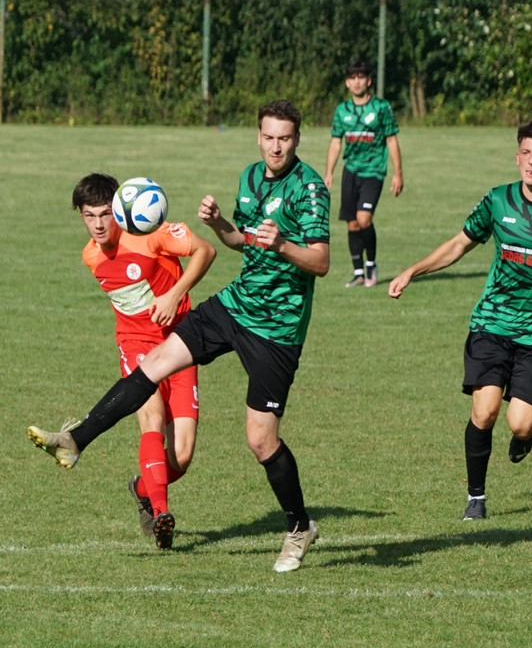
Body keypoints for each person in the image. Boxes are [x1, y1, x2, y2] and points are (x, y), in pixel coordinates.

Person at [29, 99, 331, 572]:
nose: (276, 147)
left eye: (285, 138)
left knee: (260, 439)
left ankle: (299, 527)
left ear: (297, 139)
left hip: (278, 327)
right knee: (153, 365)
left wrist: (284, 244)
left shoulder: (310, 188)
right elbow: (243, 241)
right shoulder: (251, 177)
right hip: (235, 305)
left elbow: (321, 261)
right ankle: (75, 440)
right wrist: (220, 225)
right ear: (258, 136)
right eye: (269, 137)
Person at [389, 120, 532, 520]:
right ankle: (476, 498)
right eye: (526, 153)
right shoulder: (498, 201)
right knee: (484, 412)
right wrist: (413, 271)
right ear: (517, 157)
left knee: (521, 424)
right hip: (492, 324)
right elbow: (458, 245)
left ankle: (527, 433)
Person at [71, 173, 216, 550]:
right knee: (151, 418)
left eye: (105, 214)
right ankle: (160, 514)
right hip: (136, 346)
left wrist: (175, 295)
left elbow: (205, 251)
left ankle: (142, 489)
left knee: (181, 456)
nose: (98, 224)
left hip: (181, 345)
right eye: (89, 216)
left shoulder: (152, 232)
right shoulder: (91, 257)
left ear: (119, 210)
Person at [324, 60, 403, 288]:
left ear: (368, 81)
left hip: (373, 171)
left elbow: (391, 139)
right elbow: (336, 143)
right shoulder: (342, 110)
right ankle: (358, 272)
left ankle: (371, 265)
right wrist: (329, 172)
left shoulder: (381, 107)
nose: (357, 82)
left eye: (361, 77)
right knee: (352, 224)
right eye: (353, 78)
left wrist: (398, 173)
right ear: (347, 83)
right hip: (351, 171)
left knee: (363, 219)